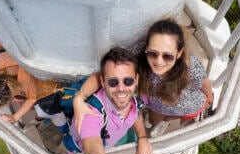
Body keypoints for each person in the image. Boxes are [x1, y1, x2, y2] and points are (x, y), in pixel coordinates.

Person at [73, 20, 213, 132]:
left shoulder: (190, 65)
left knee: (170, 116)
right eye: (153, 53)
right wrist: (80, 97)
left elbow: (203, 82)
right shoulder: (137, 54)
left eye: (168, 56)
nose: (159, 62)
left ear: (179, 53)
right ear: (146, 47)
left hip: (189, 104)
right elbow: (104, 75)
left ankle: (165, 121)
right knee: (152, 121)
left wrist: (209, 98)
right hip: (157, 104)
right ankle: (161, 121)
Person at [68, 47, 153, 154]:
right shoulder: (91, 114)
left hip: (113, 138)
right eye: (113, 82)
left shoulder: (136, 97)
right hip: (83, 145)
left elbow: (136, 113)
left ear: (136, 80)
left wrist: (143, 138)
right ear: (103, 81)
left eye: (127, 81)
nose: (121, 89)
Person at [0, 32, 62, 126]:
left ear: (14, 85)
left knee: (46, 106)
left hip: (41, 59)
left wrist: (15, 117)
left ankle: (55, 117)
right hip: (16, 53)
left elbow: (32, 98)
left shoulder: (24, 78)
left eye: (12, 98)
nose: (14, 101)